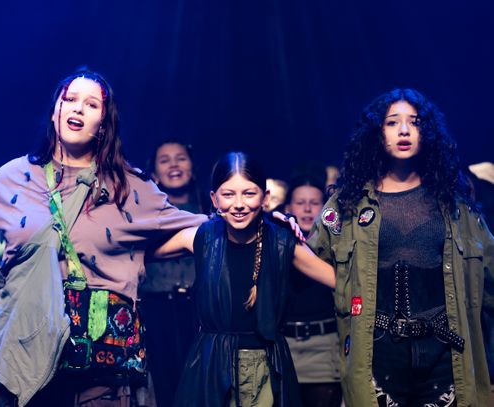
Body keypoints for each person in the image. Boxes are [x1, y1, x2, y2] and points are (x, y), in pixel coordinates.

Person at [0, 69, 208, 407]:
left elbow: (200, 229)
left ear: (103, 123)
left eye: (91, 104)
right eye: (70, 99)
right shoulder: (15, 177)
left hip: (102, 366)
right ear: (54, 112)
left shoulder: (129, 185)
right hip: (24, 355)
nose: (77, 108)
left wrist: (259, 223)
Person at [308, 89, 494, 406]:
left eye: (415, 122)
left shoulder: (454, 202)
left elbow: (488, 273)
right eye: (392, 122)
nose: (404, 130)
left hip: (444, 354)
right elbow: (312, 257)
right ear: (376, 132)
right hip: (378, 352)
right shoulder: (349, 202)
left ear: (428, 132)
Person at [150, 152, 335, 407]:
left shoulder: (282, 242)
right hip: (211, 366)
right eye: (228, 194)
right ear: (214, 198)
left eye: (249, 193)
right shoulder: (201, 237)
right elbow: (136, 251)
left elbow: (342, 281)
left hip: (265, 367)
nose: (238, 204)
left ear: (265, 197)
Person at [139, 139, 207, 407]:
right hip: (156, 310)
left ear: (192, 166)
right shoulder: (142, 213)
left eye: (180, 158)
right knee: (164, 386)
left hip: (199, 310)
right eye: (165, 160)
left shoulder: (211, 210)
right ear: (154, 173)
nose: (174, 165)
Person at [282, 176, 342, 407]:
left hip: (325, 351)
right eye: (300, 203)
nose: (307, 209)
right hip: (284, 349)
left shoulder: (338, 244)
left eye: (314, 203)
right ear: (288, 208)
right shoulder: (276, 243)